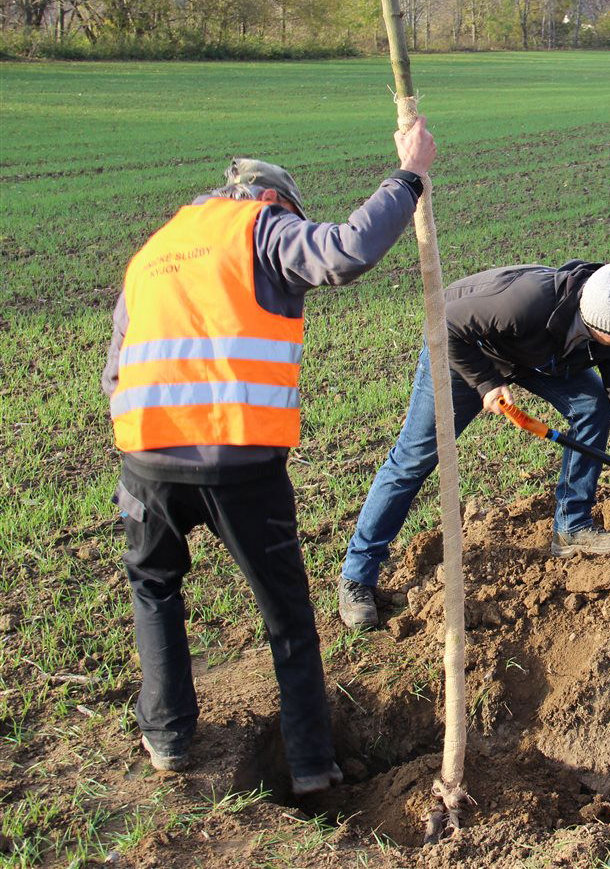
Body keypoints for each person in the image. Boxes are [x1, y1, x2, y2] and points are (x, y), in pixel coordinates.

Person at [103, 119, 438, 791]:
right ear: (273, 199)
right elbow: (346, 251)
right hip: (239, 464)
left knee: (155, 589)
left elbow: (115, 369)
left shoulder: (155, 249)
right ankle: (311, 766)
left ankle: (167, 738)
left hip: (146, 460)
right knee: (286, 616)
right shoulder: (260, 226)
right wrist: (409, 177)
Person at [338, 261, 610, 629]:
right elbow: (441, 323)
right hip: (462, 350)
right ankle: (356, 576)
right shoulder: (525, 302)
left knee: (592, 406)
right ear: (596, 323)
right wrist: (485, 382)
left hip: (532, 356)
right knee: (413, 460)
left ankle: (572, 527)